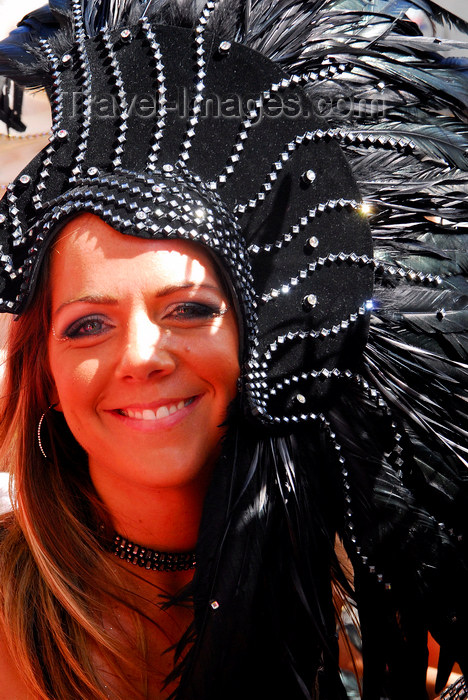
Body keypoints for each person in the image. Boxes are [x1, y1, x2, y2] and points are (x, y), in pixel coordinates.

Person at [0, 1, 467, 699]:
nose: (141, 356)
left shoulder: (367, 584)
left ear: (266, 337)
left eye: (188, 310)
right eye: (87, 325)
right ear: (47, 373)